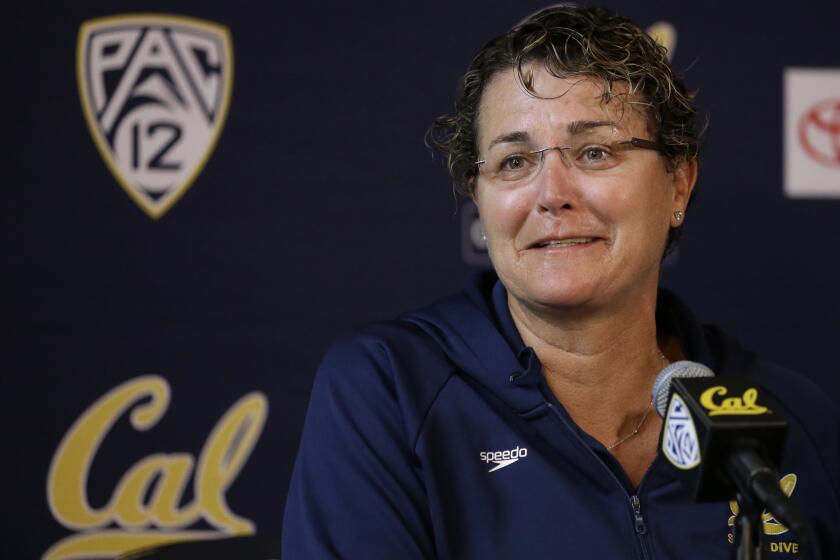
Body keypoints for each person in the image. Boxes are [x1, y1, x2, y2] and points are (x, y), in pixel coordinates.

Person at [282, 5, 840, 558]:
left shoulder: (790, 415)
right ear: (479, 197)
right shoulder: (391, 389)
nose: (552, 193)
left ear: (678, 183)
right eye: (514, 162)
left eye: (594, 152)